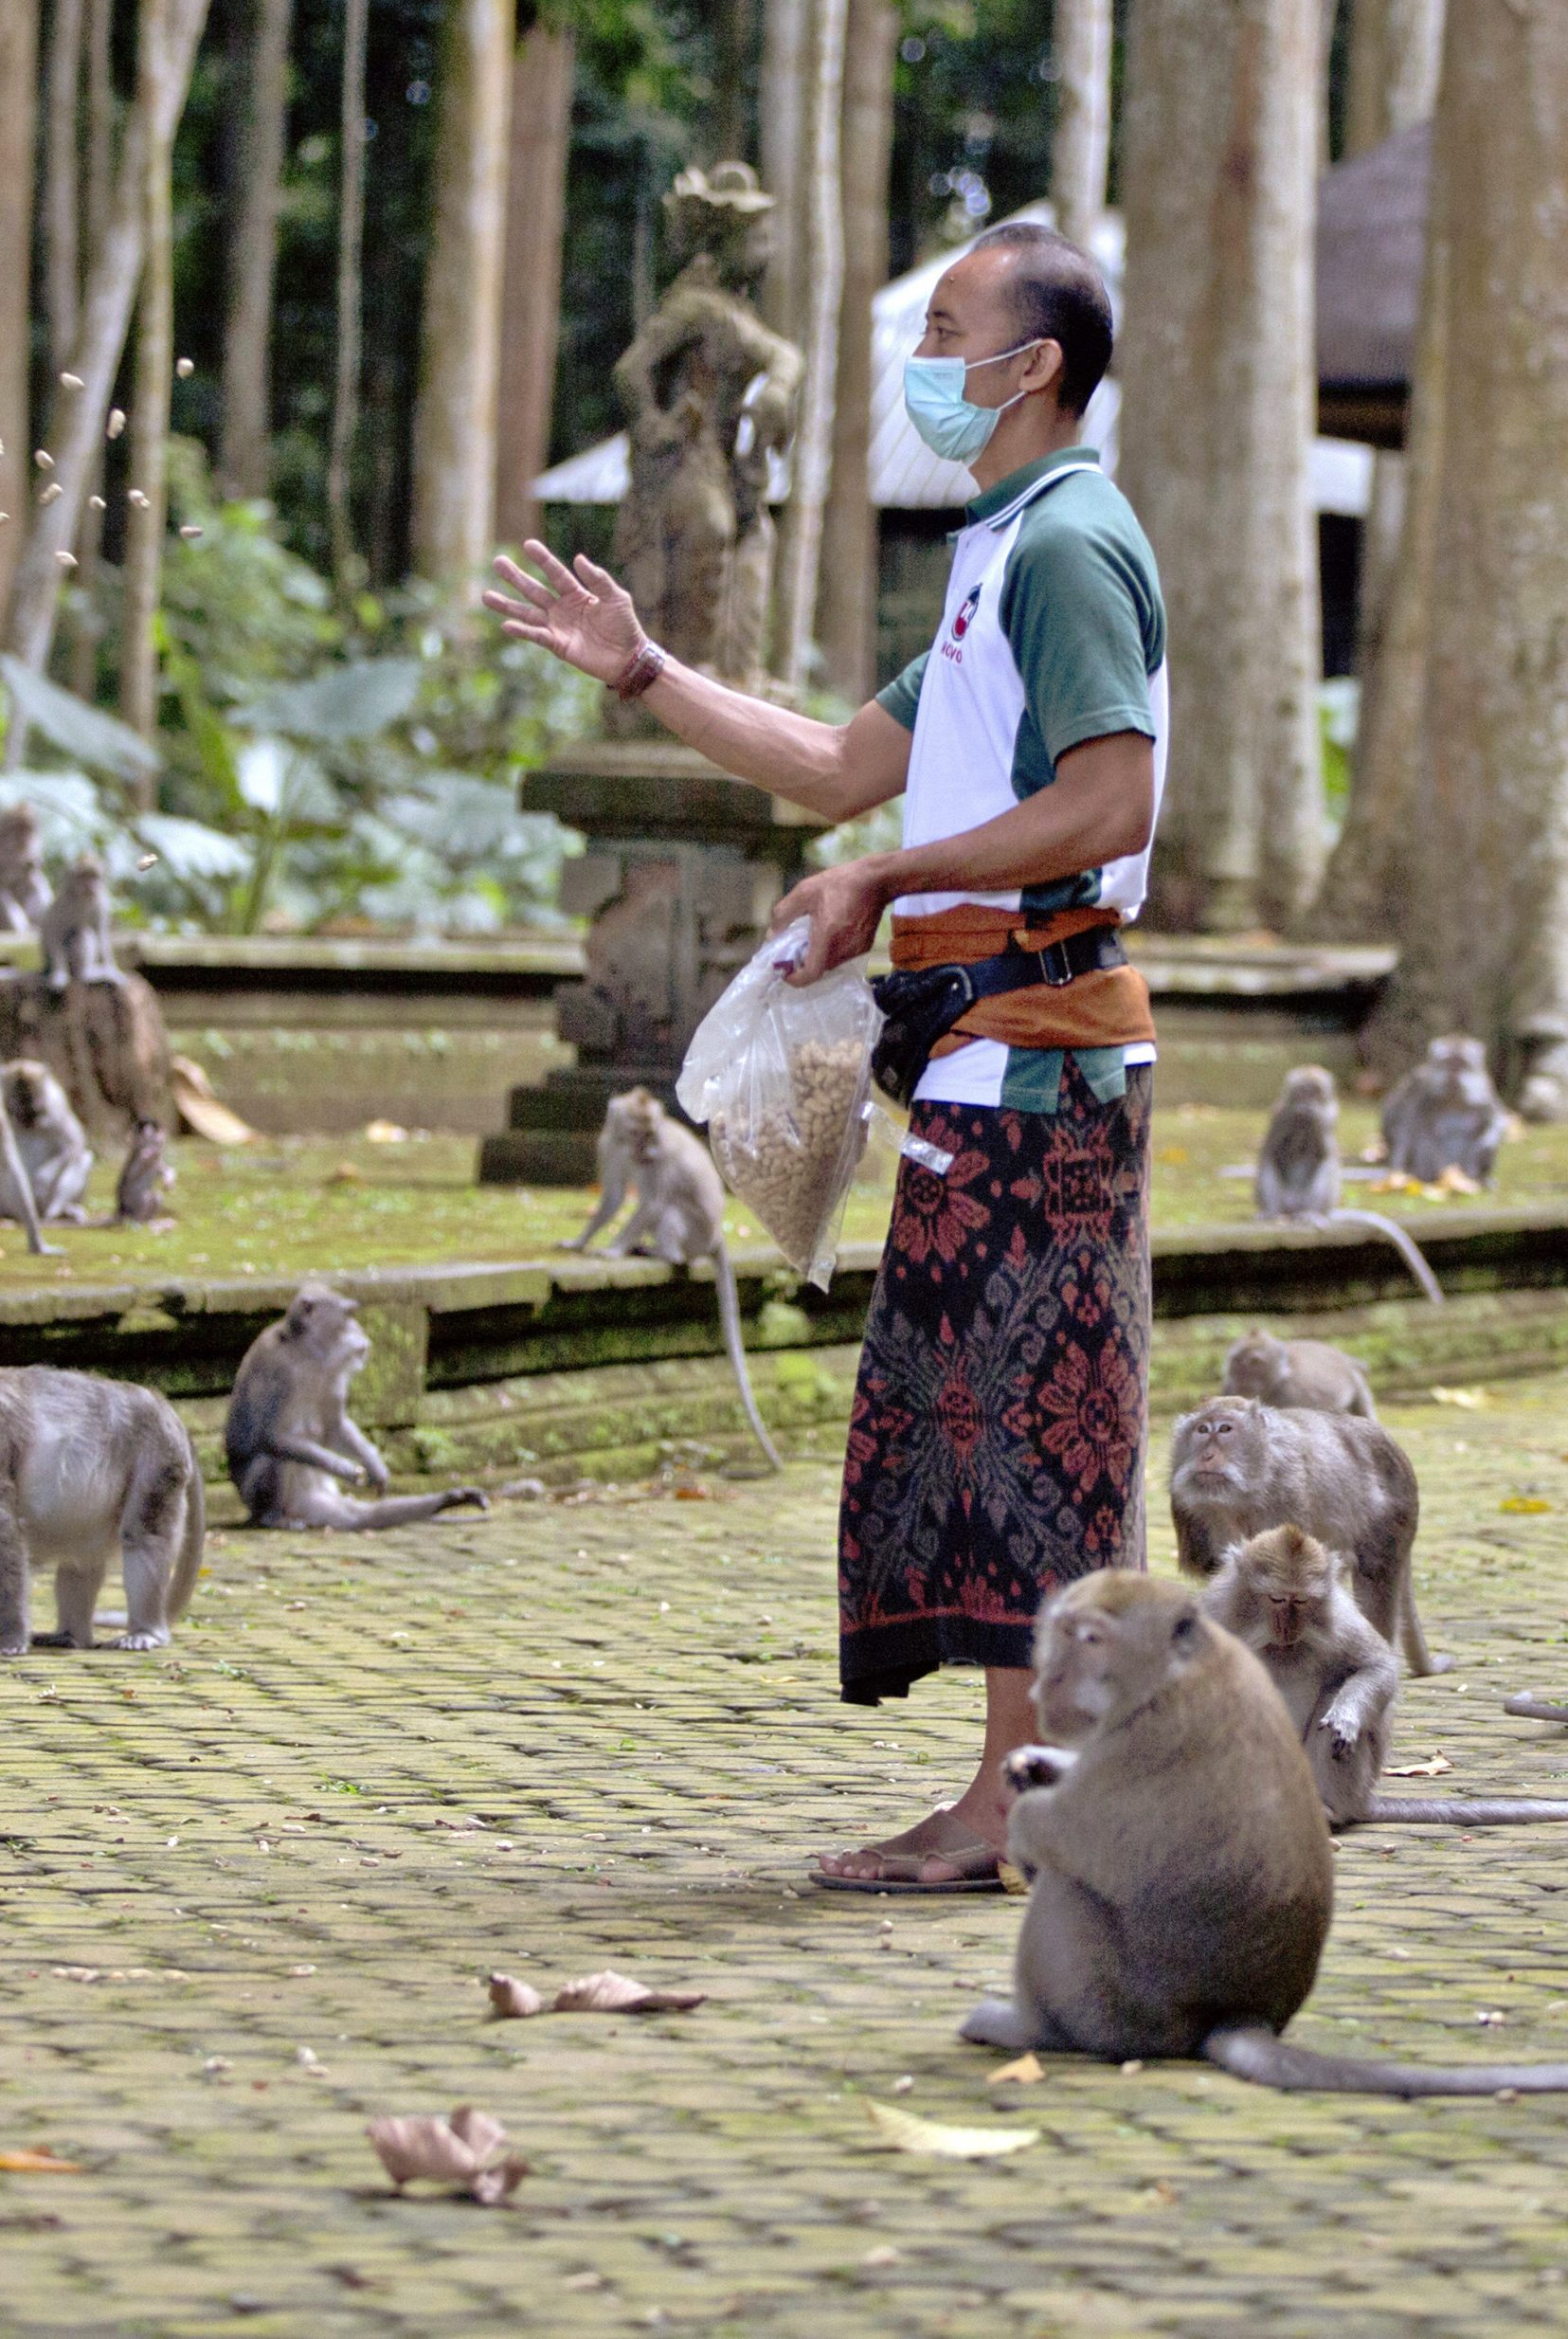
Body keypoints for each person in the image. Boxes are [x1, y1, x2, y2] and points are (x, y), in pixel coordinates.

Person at [484, 220, 1167, 1892]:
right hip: (975, 1054)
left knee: (1028, 1438)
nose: (920, 363)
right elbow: (831, 766)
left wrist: (885, 880)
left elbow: (1111, 800)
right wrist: (645, 672)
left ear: (1033, 367)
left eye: (945, 332)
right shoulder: (999, 550)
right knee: (969, 1424)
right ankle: (1031, 1789)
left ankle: (1020, 1807)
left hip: (1042, 1058)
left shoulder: (1072, 544)